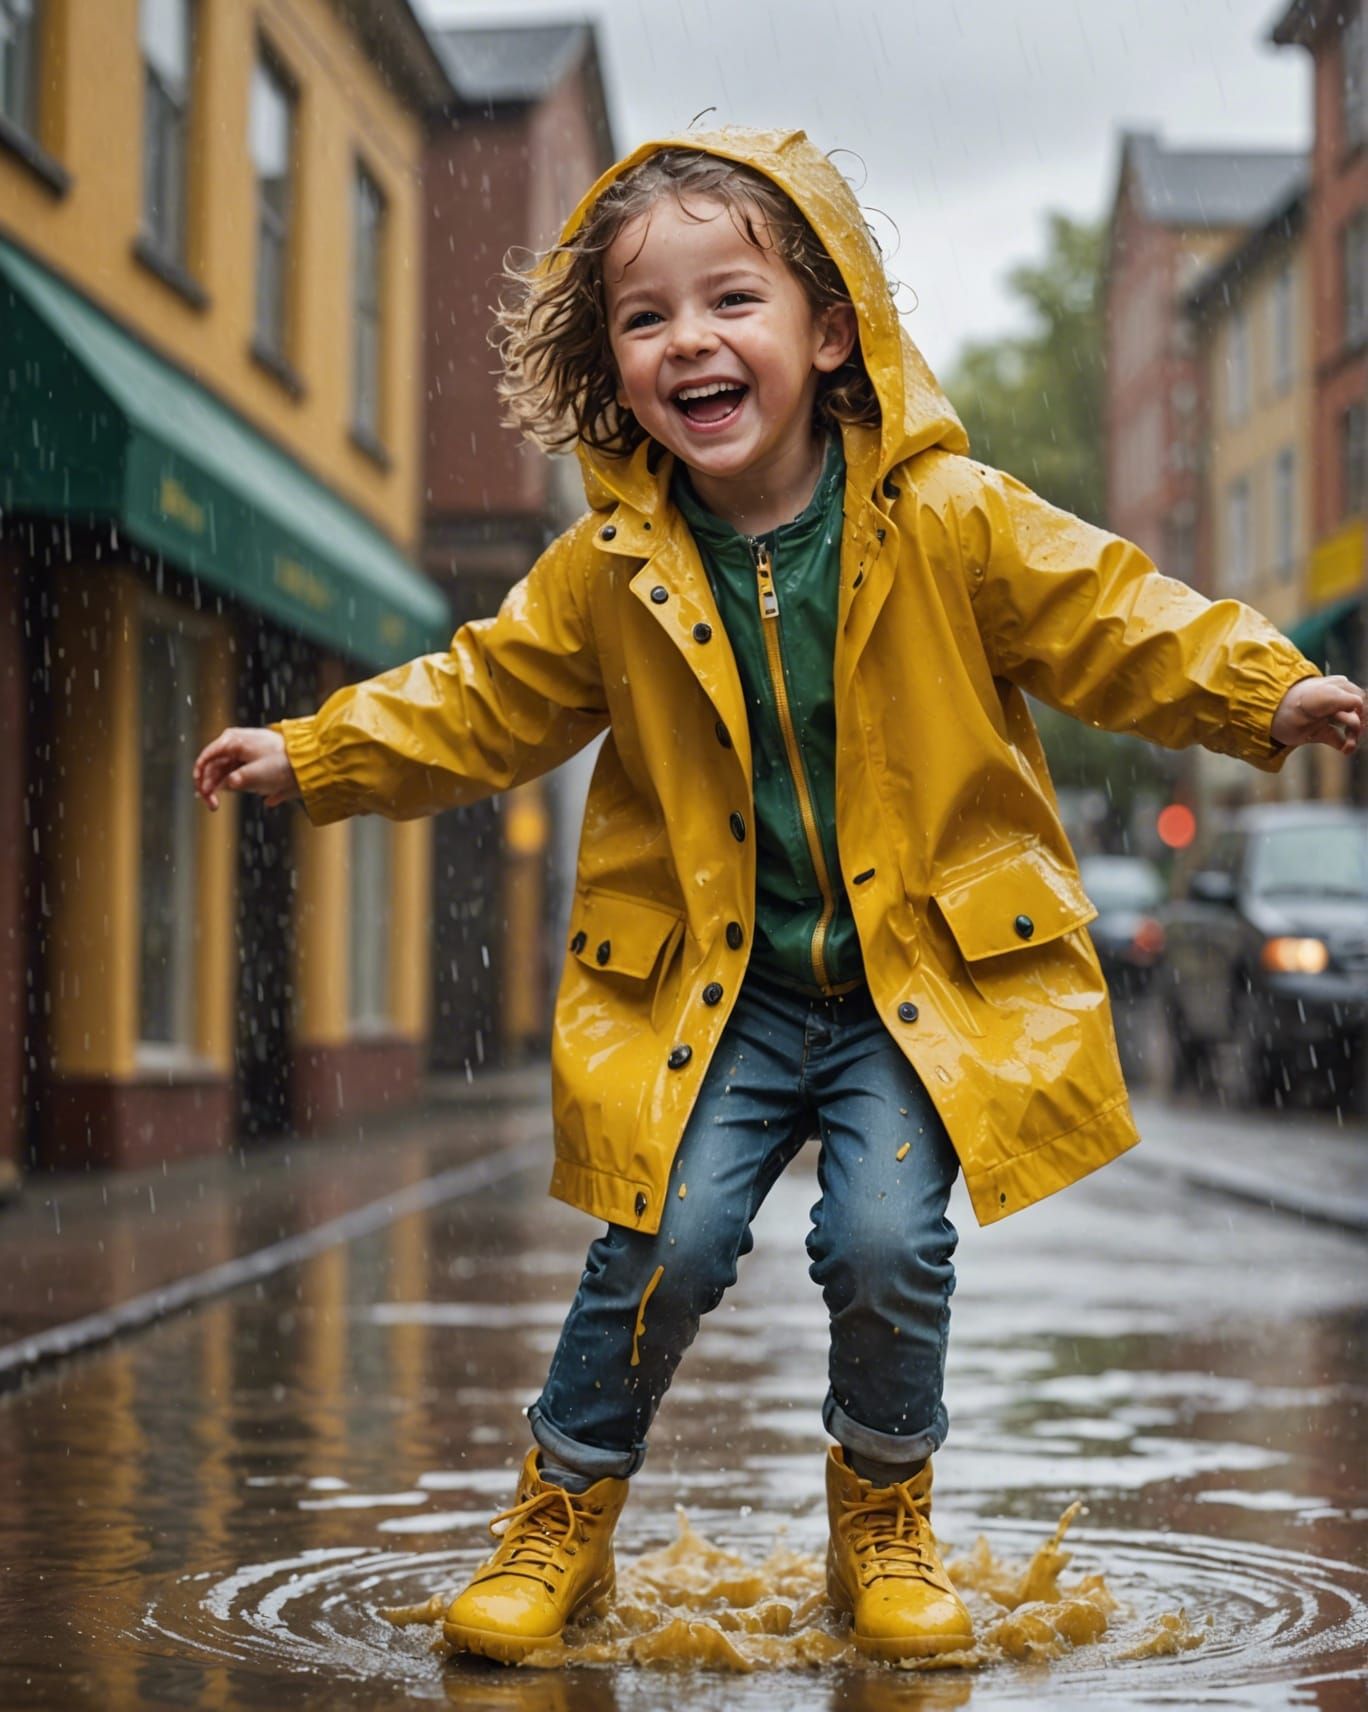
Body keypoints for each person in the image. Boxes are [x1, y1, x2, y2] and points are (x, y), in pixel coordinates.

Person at [193, 128, 1364, 1666]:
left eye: (730, 300)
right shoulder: (610, 568)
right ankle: (561, 1520)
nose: (688, 339)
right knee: (663, 1245)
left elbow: (1112, 614)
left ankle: (881, 1519)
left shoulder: (947, 518)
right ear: (614, 371)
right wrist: (320, 748)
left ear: (828, 332)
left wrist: (1264, 690)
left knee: (884, 1243)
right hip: (713, 990)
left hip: (904, 987)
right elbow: (483, 696)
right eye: (645, 317)